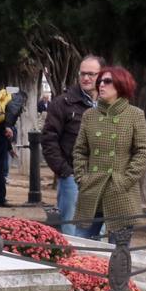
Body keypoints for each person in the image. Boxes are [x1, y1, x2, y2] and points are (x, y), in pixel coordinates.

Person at [73, 66, 146, 241]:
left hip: (120, 192)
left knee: (118, 254)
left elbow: (142, 151)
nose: (101, 85)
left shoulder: (135, 115)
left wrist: (125, 181)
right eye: (100, 81)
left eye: (107, 81)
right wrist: (81, 178)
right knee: (82, 248)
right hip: (92, 189)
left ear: (121, 85)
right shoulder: (89, 115)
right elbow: (80, 151)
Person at [41, 55, 102, 236]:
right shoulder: (63, 103)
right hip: (73, 176)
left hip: (103, 176)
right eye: (83, 74)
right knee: (72, 230)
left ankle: (96, 264)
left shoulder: (110, 105)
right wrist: (64, 171)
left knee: (100, 231)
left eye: (91, 74)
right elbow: (49, 139)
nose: (86, 78)